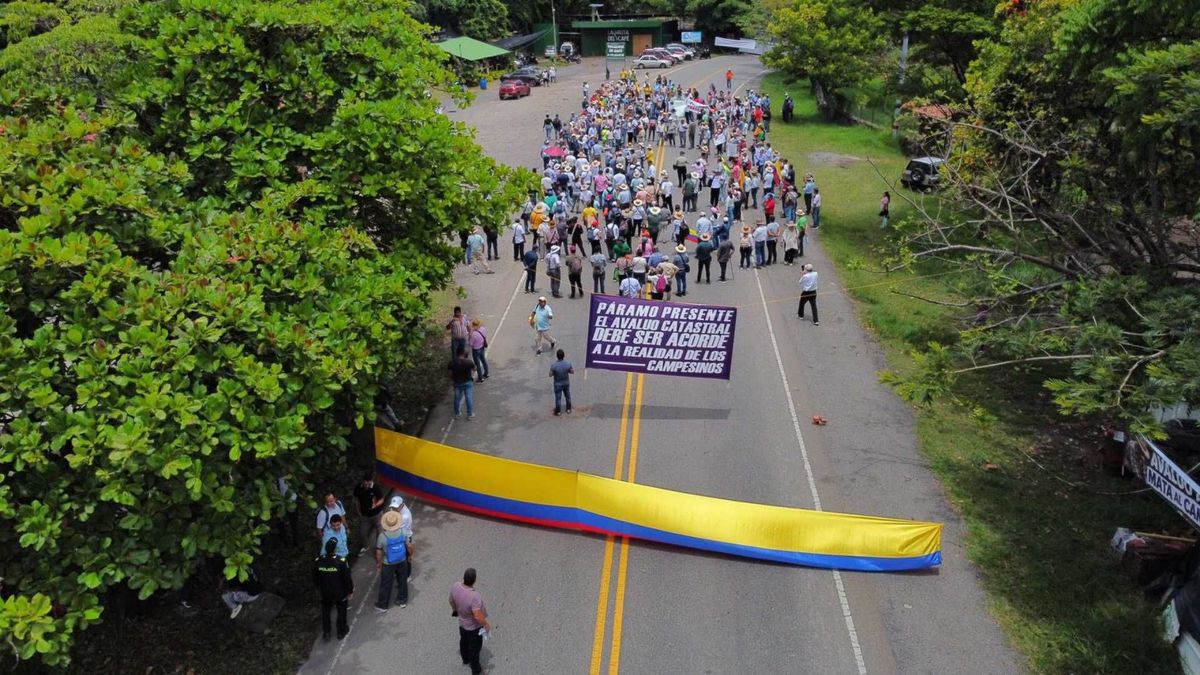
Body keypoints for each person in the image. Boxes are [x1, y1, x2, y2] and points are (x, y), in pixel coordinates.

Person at [450, 568, 492, 675]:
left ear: (464, 577)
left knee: (463, 641)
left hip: (462, 623)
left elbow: (451, 600)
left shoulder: (456, 586)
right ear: (474, 580)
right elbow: (477, 616)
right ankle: (476, 670)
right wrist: (486, 625)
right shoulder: (474, 596)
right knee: (475, 649)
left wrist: (455, 610)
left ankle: (465, 659)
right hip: (473, 628)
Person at [313, 537, 353, 642]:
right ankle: (341, 632)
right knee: (341, 611)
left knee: (326, 612)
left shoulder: (319, 561)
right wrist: (350, 591)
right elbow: (347, 578)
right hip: (340, 592)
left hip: (325, 592)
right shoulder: (341, 561)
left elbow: (315, 578)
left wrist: (318, 589)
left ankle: (326, 633)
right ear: (335, 549)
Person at [375, 510, 410, 612]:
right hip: (402, 560)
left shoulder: (382, 536)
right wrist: (410, 556)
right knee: (402, 580)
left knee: (386, 583)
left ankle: (383, 605)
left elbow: (378, 552)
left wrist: (378, 563)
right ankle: (402, 600)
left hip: (388, 562)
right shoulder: (403, 531)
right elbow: (409, 545)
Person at [353, 473, 384, 555]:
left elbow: (381, 499)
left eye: (368, 484)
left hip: (377, 515)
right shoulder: (358, 487)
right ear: (362, 482)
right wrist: (358, 511)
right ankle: (366, 546)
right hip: (365, 516)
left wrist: (376, 505)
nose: (366, 486)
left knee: (380, 532)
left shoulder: (376, 488)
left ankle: (378, 547)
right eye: (365, 484)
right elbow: (357, 499)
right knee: (362, 533)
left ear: (371, 481)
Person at [448, 347, 476, 419]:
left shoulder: (452, 362)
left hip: (457, 383)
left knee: (457, 398)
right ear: (463, 353)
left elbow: (450, 373)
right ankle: (469, 414)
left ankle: (457, 414)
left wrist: (453, 379)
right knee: (468, 397)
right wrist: (471, 374)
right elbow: (474, 369)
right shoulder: (469, 362)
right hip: (467, 382)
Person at [550, 349, 574, 415]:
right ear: (564, 355)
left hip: (557, 384)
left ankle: (558, 411)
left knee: (558, 398)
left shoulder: (554, 365)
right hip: (566, 383)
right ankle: (568, 409)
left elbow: (550, 374)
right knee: (567, 396)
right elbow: (572, 371)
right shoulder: (568, 363)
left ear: (557, 356)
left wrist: (555, 372)